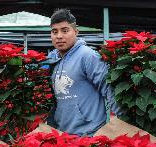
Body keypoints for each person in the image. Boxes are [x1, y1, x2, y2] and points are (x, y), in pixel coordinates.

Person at [47, 8, 121, 136]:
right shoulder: (53, 60)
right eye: (55, 32)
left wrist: (121, 124)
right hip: (62, 135)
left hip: (90, 134)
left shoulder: (88, 56)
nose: (59, 36)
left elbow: (109, 89)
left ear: (76, 32)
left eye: (65, 31)